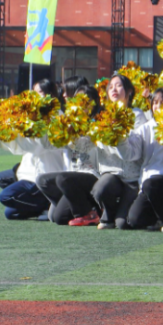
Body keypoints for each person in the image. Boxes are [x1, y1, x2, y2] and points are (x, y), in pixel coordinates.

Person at [116, 88, 163, 231]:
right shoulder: (145, 128)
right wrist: (119, 138)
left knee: (152, 184)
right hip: (148, 185)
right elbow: (131, 154)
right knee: (135, 220)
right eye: (155, 102)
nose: (158, 106)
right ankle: (162, 213)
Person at [0, 79, 66, 220]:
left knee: (6, 196)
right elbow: (20, 150)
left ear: (51, 94)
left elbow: (37, 147)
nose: (34, 96)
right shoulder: (32, 115)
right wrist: (2, 133)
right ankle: (42, 207)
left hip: (45, 174)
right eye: (33, 92)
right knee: (11, 212)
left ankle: (47, 204)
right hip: (30, 172)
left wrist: (20, 129)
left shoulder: (56, 116)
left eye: (39, 92)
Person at [36, 85, 104, 225]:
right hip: (72, 179)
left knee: (62, 179)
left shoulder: (100, 123)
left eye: (86, 100)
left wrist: (69, 134)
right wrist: (41, 124)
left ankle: (90, 212)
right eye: (78, 100)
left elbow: (85, 145)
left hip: (92, 175)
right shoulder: (71, 122)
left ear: (95, 103)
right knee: (43, 181)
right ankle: (78, 205)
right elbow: (49, 145)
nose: (81, 104)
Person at [89, 74, 148, 229]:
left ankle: (121, 213)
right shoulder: (102, 117)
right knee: (100, 189)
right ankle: (109, 211)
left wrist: (118, 137)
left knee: (123, 224)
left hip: (132, 179)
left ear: (129, 91)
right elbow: (95, 145)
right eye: (110, 87)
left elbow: (134, 153)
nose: (114, 89)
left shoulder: (137, 115)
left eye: (119, 85)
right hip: (111, 174)